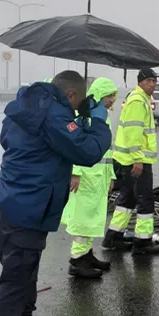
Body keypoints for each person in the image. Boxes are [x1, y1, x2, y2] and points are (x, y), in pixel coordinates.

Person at [0, 71, 111, 316]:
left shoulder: (30, 107)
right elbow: (86, 152)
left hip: (20, 202)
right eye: (79, 102)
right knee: (15, 278)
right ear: (72, 95)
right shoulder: (53, 113)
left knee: (25, 272)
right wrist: (97, 121)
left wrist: (77, 124)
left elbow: (49, 142)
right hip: (27, 205)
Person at [61, 77, 118, 279]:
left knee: (93, 220)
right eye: (109, 95)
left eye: (113, 95)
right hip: (85, 178)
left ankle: (87, 255)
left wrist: (110, 175)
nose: (112, 99)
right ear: (99, 94)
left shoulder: (102, 117)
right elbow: (74, 144)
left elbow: (107, 151)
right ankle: (76, 261)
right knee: (83, 220)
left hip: (98, 178)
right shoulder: (84, 116)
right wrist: (75, 172)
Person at [103, 67, 159, 255]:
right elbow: (133, 132)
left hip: (128, 160)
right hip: (136, 161)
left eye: (154, 81)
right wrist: (138, 159)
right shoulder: (138, 101)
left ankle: (113, 237)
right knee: (145, 199)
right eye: (149, 81)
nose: (153, 84)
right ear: (140, 82)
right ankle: (142, 242)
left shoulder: (141, 99)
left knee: (127, 199)